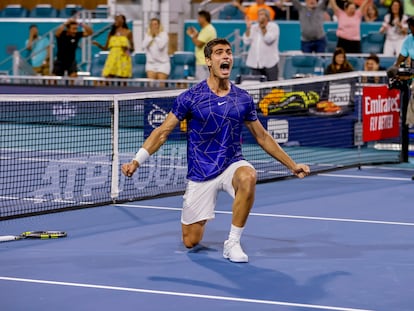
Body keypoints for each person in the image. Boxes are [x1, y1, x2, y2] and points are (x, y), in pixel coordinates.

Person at [121, 38, 310, 263]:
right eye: (219, 53)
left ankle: (232, 243)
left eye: (229, 52)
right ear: (208, 61)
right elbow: (162, 132)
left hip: (232, 164)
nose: (226, 56)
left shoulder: (243, 98)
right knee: (191, 241)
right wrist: (136, 161)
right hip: (201, 172)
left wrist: (292, 165)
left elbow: (262, 136)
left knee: (248, 176)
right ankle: (204, 213)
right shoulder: (190, 97)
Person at [242, 8, 280, 81]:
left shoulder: (273, 27)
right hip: (255, 63)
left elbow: (268, 40)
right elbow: (246, 41)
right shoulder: (254, 27)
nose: (260, 16)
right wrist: (248, 28)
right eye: (259, 15)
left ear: (267, 17)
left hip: (270, 63)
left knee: (272, 88)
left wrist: (263, 27)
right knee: (257, 89)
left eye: (262, 14)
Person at [93, 14, 134, 79]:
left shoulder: (128, 32)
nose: (116, 20)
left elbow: (132, 49)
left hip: (123, 58)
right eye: (115, 19)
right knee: (108, 78)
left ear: (123, 21)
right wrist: (98, 44)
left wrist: (127, 50)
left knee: (123, 80)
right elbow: (105, 48)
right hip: (112, 58)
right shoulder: (111, 33)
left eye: (118, 19)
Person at [186, 10, 217, 80]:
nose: (198, 20)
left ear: (203, 18)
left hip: (204, 63)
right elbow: (200, 41)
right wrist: (196, 34)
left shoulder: (208, 29)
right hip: (203, 62)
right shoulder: (205, 29)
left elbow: (198, 43)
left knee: (203, 86)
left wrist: (192, 35)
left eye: (199, 18)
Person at [142, 17, 170, 82]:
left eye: (155, 24)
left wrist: (156, 36)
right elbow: (143, 45)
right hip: (151, 63)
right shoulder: (148, 35)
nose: (154, 26)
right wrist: (151, 36)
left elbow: (161, 46)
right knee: (151, 85)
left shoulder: (164, 35)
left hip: (163, 63)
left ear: (159, 25)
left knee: (161, 84)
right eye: (152, 24)